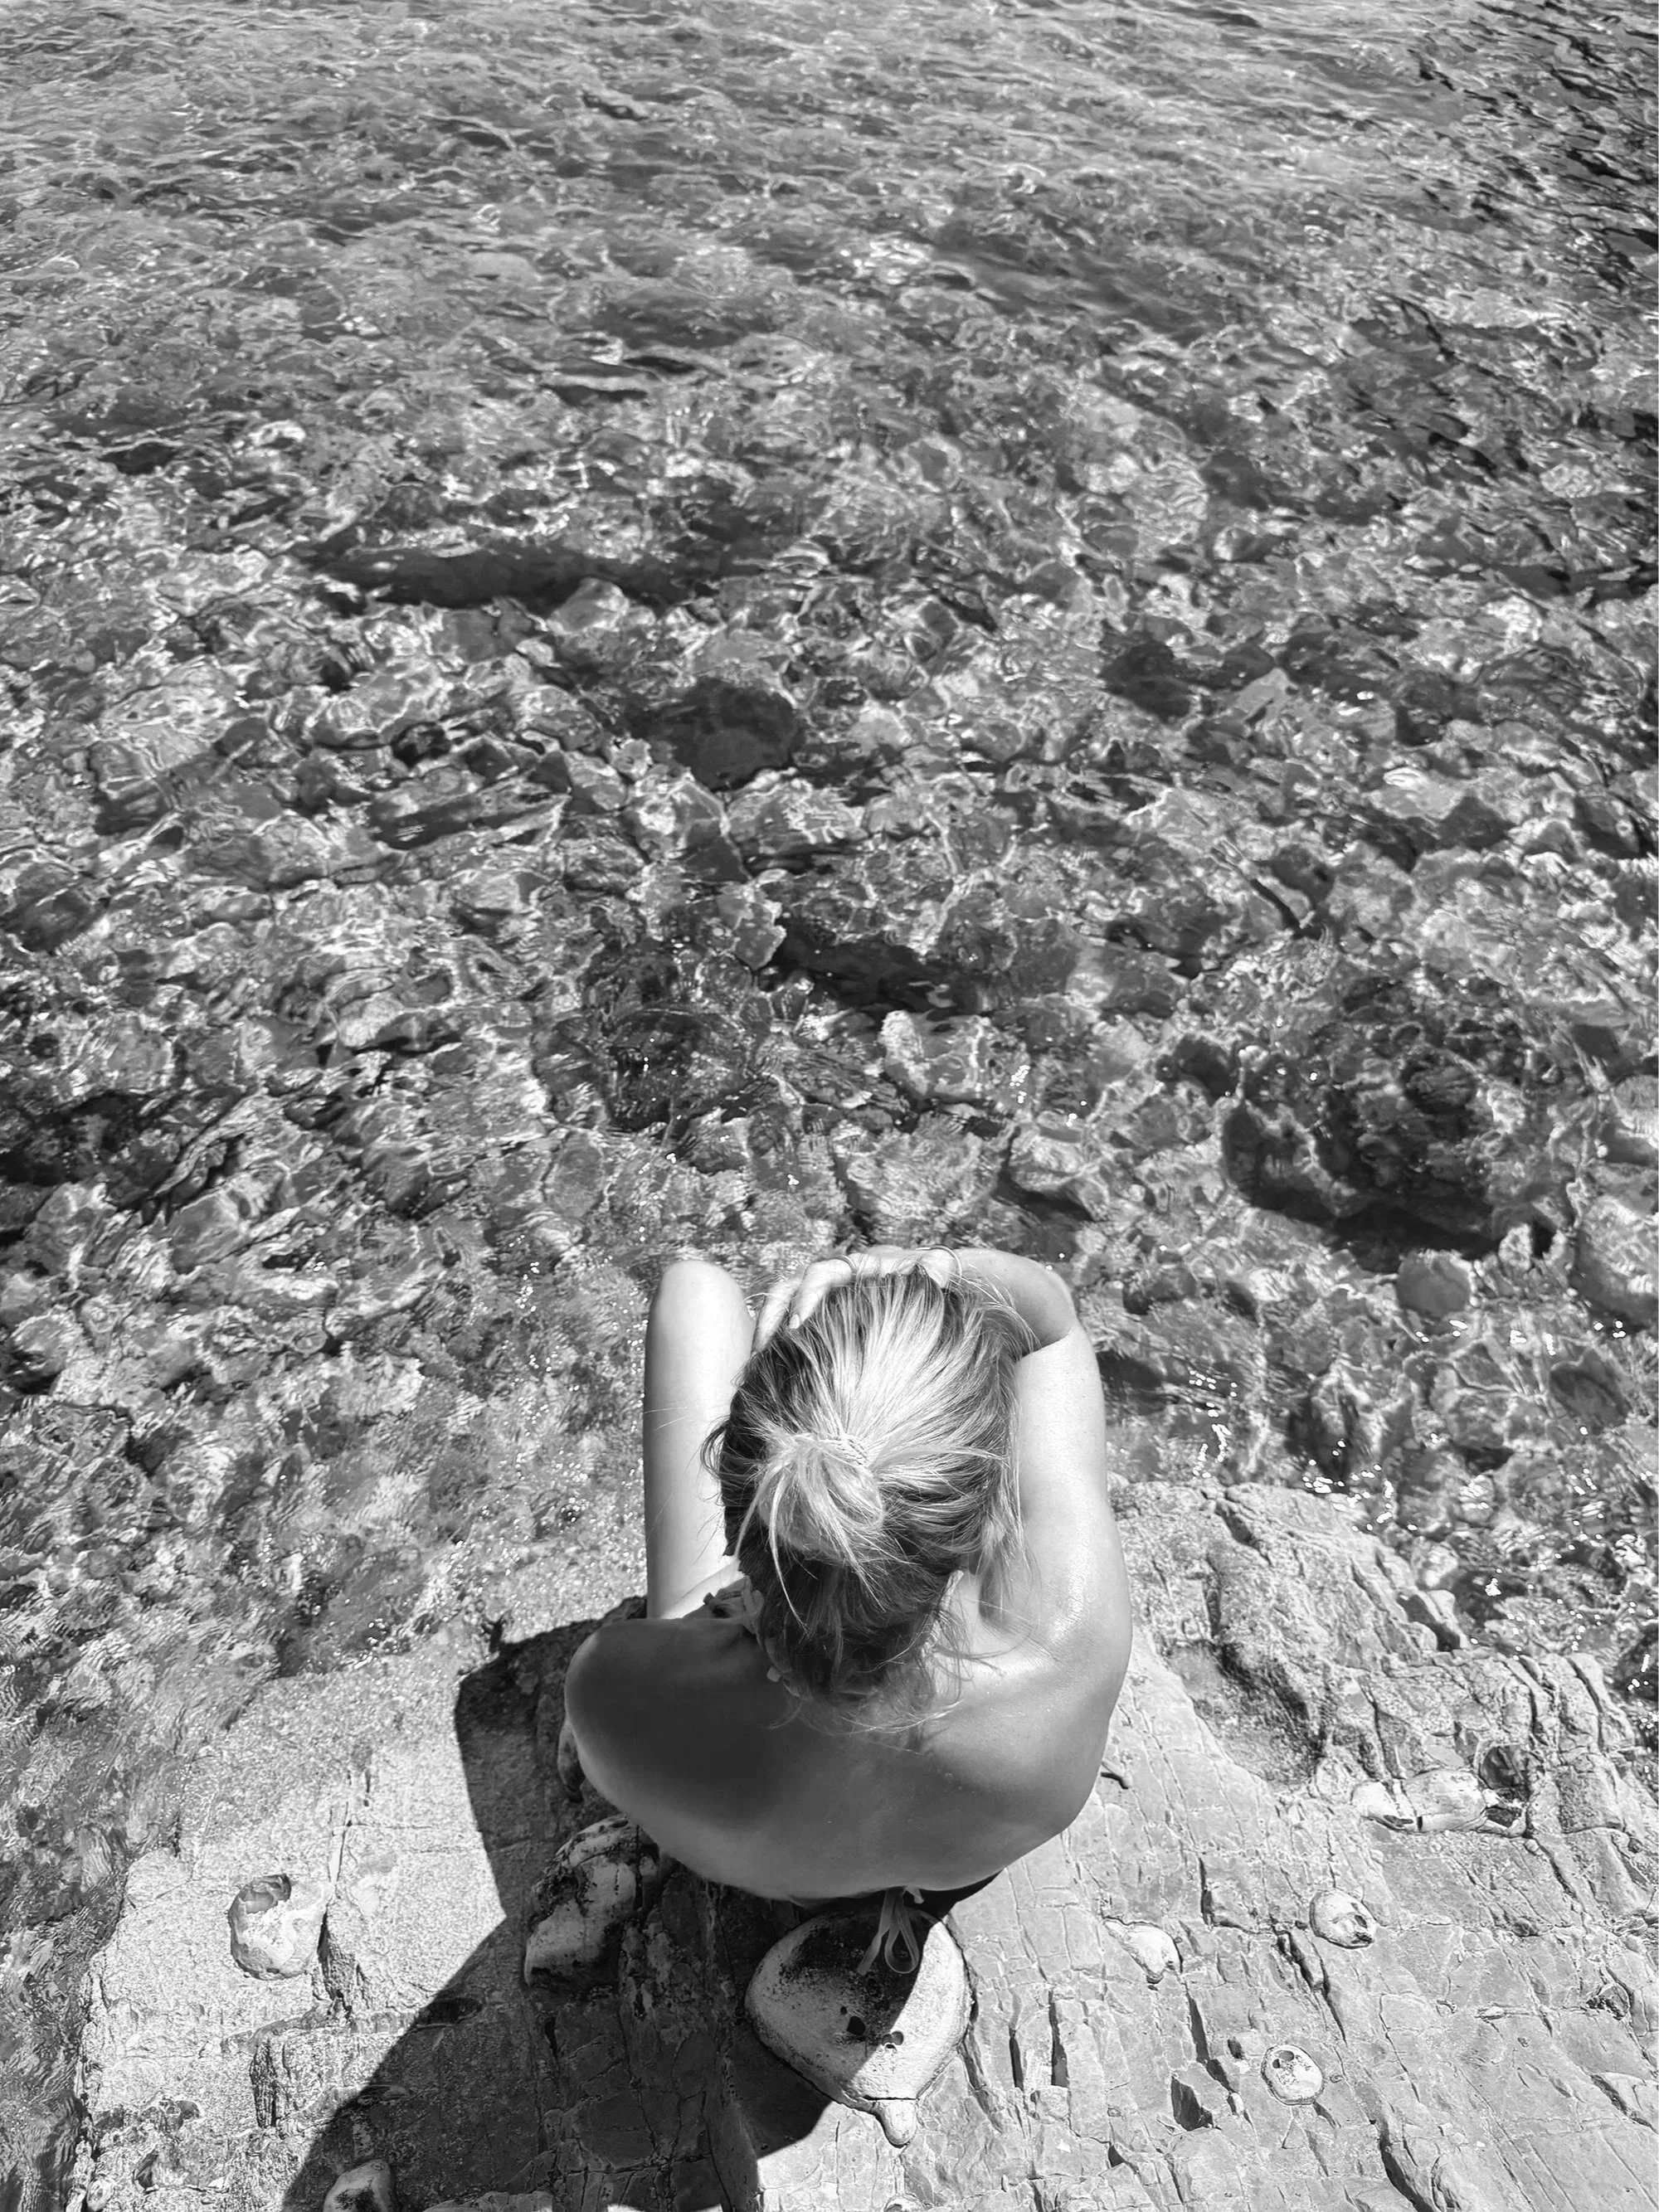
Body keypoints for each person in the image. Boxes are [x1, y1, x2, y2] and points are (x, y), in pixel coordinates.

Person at [560, 1244, 1131, 1971]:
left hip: (763, 1861)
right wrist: (928, 1265)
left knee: (692, 1288)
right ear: (981, 1525)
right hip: (953, 1854)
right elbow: (1050, 1326)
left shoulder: (611, 1686)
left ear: (735, 1504)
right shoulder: (1068, 1657)